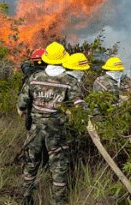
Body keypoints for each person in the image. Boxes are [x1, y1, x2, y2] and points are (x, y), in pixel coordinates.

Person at [17, 42, 88, 205]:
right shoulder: (69, 81)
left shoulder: (34, 78)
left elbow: (22, 102)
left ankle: (26, 198)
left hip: (35, 130)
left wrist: (23, 110)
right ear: (63, 59)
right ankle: (58, 201)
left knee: (31, 163)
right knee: (58, 167)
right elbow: (79, 104)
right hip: (57, 132)